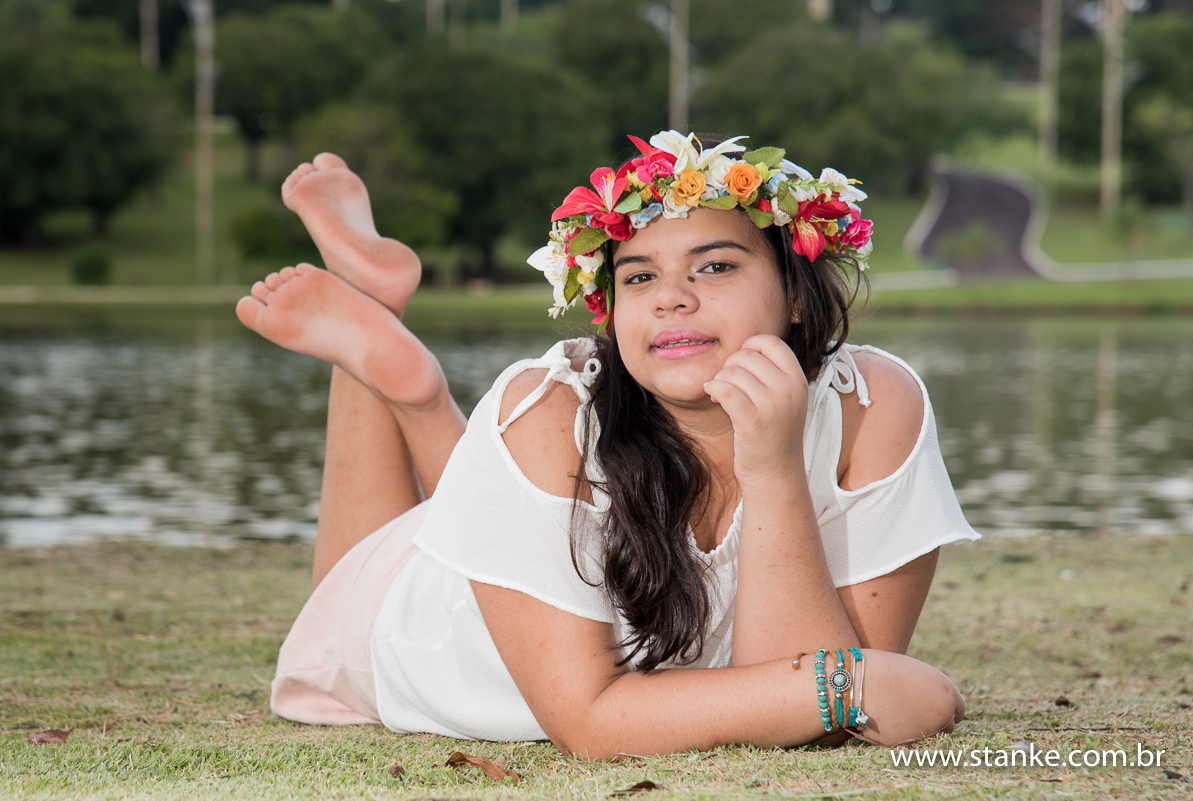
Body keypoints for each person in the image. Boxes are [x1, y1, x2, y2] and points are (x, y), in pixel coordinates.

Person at [235, 131, 980, 759]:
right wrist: (840, 685)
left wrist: (775, 466)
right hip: (442, 629)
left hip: (528, 531)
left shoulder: (873, 406)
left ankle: (403, 374)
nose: (671, 297)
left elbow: (812, 719)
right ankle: (386, 358)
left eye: (715, 265)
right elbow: (592, 720)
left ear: (794, 289)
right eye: (639, 275)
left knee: (494, 508)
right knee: (347, 594)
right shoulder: (546, 406)